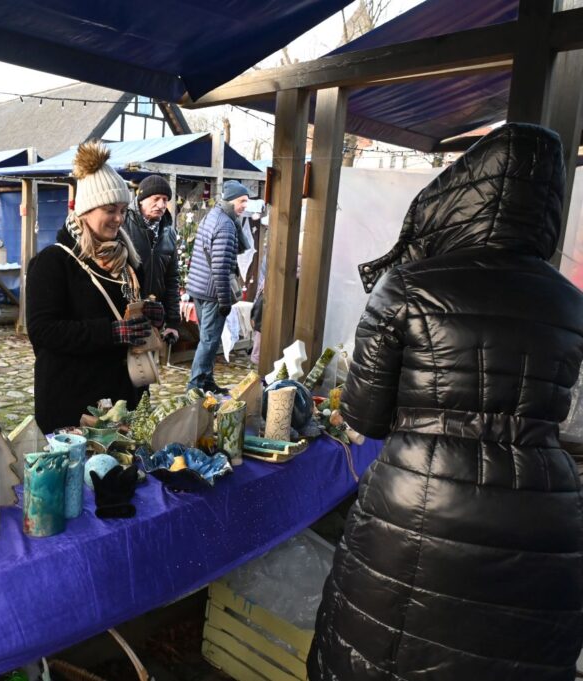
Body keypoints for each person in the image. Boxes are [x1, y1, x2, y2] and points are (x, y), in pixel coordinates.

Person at [308, 124, 583, 681]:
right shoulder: (571, 303)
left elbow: (363, 415)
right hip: (545, 514)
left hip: (419, 506)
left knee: (385, 652)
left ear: (460, 194)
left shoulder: (410, 286)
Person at [26, 140, 161, 433]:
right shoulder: (53, 262)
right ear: (86, 210)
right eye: (110, 209)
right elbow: (43, 331)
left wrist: (149, 315)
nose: (119, 219)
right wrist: (111, 332)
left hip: (124, 398)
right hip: (74, 401)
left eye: (123, 210)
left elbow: (127, 314)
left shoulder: (129, 260)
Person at [184, 182, 246, 393]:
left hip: (199, 288)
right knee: (209, 341)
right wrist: (224, 301)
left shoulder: (213, 215)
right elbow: (220, 266)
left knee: (207, 338)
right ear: (231, 200)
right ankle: (194, 387)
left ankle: (207, 381)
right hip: (212, 292)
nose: (244, 205)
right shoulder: (226, 225)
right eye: (242, 201)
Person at [124, 174, 181, 346]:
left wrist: (173, 322)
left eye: (165, 200)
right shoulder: (123, 225)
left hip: (155, 315)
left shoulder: (169, 232)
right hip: (125, 314)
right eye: (156, 199)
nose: (162, 205)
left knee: (151, 361)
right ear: (141, 200)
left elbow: (172, 279)